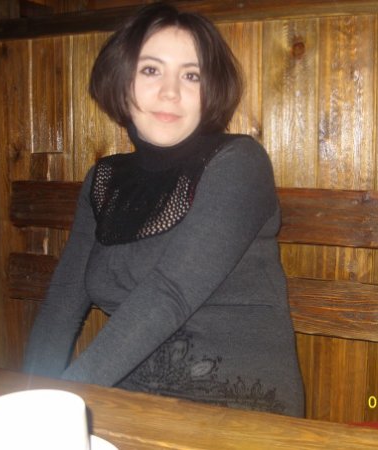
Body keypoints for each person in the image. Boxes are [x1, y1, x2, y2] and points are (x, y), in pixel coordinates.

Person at [23, 3, 304, 417]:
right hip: (130, 399)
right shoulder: (104, 179)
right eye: (151, 70)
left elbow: (169, 294)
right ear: (121, 81)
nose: (171, 91)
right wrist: (29, 398)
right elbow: (63, 300)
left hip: (239, 403)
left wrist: (61, 401)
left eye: (191, 75)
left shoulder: (239, 163)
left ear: (211, 90)